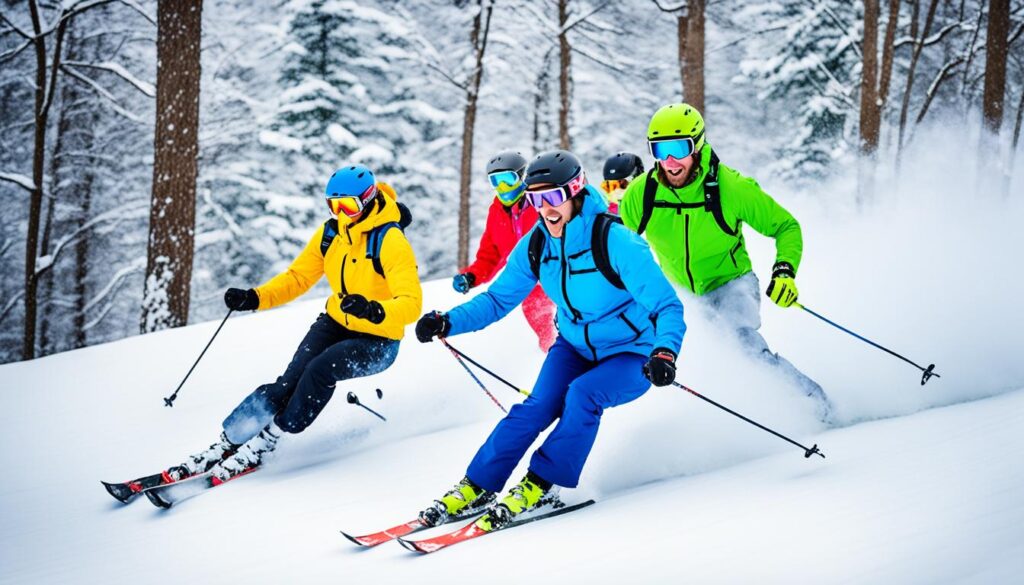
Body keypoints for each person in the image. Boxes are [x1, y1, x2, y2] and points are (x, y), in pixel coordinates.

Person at [414, 150, 685, 530]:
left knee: (583, 394)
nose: (545, 209)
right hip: (573, 346)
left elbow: (667, 307)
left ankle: (542, 484)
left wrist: (664, 352)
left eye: (553, 197)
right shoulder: (536, 244)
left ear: (575, 192)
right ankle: (477, 486)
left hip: (633, 352)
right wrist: (448, 322)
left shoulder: (617, 242)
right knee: (535, 407)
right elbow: (497, 299)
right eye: (536, 199)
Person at [163, 165, 422, 485]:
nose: (342, 213)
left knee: (320, 370)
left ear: (368, 200)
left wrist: (374, 310)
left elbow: (411, 303)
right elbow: (298, 277)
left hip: (378, 340)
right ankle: (230, 440)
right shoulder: (332, 233)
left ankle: (269, 439)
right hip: (337, 321)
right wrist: (255, 298)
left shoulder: (390, 240)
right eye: (334, 205)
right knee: (288, 382)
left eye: (349, 206)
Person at [618, 103, 832, 420]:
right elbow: (617, 251)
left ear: (698, 145)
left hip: (732, 282)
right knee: (688, 359)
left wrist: (785, 271)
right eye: (660, 150)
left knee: (742, 344)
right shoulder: (641, 194)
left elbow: (786, 227)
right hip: (682, 294)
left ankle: (814, 404)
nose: (670, 161)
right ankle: (742, 423)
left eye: (679, 148)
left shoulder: (730, 188)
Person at [452, 151, 557, 351]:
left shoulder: (542, 202)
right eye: (495, 181)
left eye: (507, 179)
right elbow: (489, 255)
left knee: (574, 332)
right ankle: (559, 376)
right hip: (530, 290)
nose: (502, 187)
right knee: (549, 339)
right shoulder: (497, 212)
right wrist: (470, 277)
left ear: (522, 176)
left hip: (558, 279)